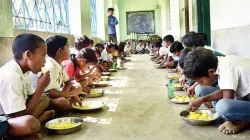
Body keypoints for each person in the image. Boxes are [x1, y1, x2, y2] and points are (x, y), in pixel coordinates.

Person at [184, 47, 250, 135]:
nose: (200, 83)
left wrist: (229, 120)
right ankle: (242, 118)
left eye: (201, 81)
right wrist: (202, 99)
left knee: (222, 106)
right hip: (245, 96)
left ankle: (240, 122)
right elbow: (224, 91)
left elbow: (227, 100)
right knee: (204, 93)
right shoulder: (220, 63)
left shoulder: (226, 66)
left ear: (211, 72)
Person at [0, 33, 54, 139]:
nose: (45, 61)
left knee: (44, 98)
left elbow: (32, 99)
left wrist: (39, 90)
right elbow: (21, 117)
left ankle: (30, 131)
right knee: (30, 123)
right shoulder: (11, 77)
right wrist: (41, 87)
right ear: (28, 55)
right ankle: (29, 130)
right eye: (43, 55)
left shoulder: (23, 72)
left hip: (18, 116)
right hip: (4, 122)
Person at [30, 35, 82, 111]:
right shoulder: (50, 66)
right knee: (63, 102)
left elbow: (68, 82)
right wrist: (71, 94)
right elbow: (51, 93)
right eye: (67, 47)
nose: (70, 51)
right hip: (42, 99)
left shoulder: (59, 64)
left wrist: (68, 94)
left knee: (77, 87)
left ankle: (67, 100)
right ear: (60, 51)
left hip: (55, 94)